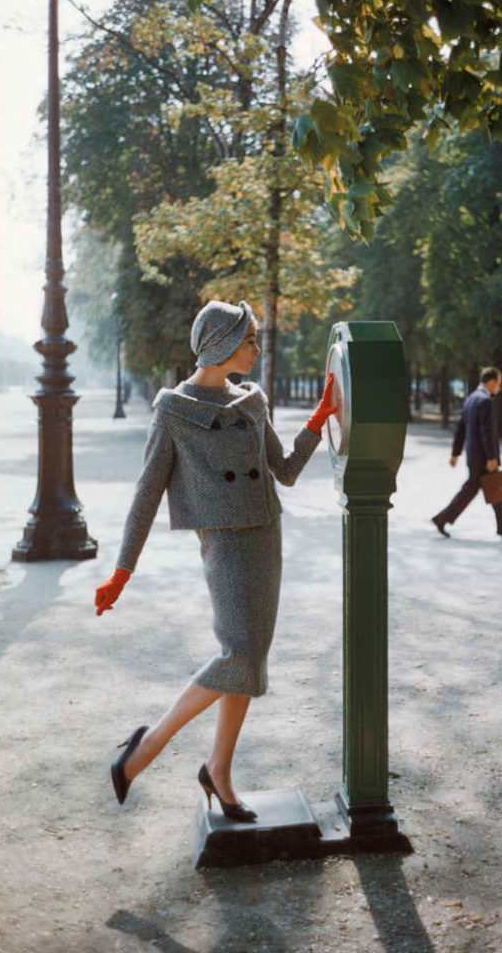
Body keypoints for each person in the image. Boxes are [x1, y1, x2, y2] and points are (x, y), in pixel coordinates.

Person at [94, 299, 336, 820]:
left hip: (265, 535)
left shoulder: (251, 402)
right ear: (224, 345)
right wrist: (121, 570)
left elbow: (286, 470)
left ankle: (218, 770)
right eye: (249, 339)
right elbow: (146, 494)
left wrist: (319, 418)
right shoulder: (174, 411)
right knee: (237, 655)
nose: (255, 348)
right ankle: (146, 747)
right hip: (224, 545)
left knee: (248, 662)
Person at [431, 367, 502, 538]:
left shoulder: (470, 399)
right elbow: (487, 432)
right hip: (483, 457)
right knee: (483, 487)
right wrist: (492, 457)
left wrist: (455, 453)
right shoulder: (485, 401)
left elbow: (460, 430)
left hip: (474, 455)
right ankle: (442, 518)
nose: (500, 388)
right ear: (492, 382)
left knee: (493, 486)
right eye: (499, 384)